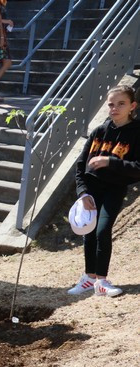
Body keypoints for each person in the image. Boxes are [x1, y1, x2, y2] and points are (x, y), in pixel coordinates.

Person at [67, 85, 140, 298]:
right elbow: (80, 165)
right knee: (88, 233)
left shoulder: (137, 132)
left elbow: (137, 168)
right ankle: (89, 278)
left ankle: (102, 281)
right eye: (111, 104)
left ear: (132, 106)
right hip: (91, 190)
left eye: (121, 104)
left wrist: (110, 161)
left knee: (102, 231)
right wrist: (83, 193)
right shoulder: (100, 130)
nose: (114, 108)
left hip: (114, 190)